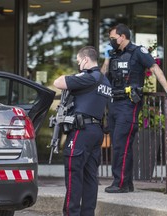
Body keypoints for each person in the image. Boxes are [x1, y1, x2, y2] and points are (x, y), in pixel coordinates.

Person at [100, 23, 167, 193]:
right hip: (114, 103)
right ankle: (126, 183)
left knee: (120, 145)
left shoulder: (138, 51)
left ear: (122, 36)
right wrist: (106, 58)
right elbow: (102, 77)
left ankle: (119, 183)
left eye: (113, 38)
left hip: (129, 104)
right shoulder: (113, 54)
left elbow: (155, 67)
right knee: (120, 145)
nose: (111, 41)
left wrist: (166, 88)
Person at [54, 46, 111, 216]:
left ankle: (71, 213)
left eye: (79, 61)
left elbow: (58, 82)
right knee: (90, 177)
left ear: (85, 60)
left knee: (73, 174)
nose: (79, 65)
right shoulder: (105, 81)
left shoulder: (88, 77)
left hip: (81, 131)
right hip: (96, 131)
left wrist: (77, 75)